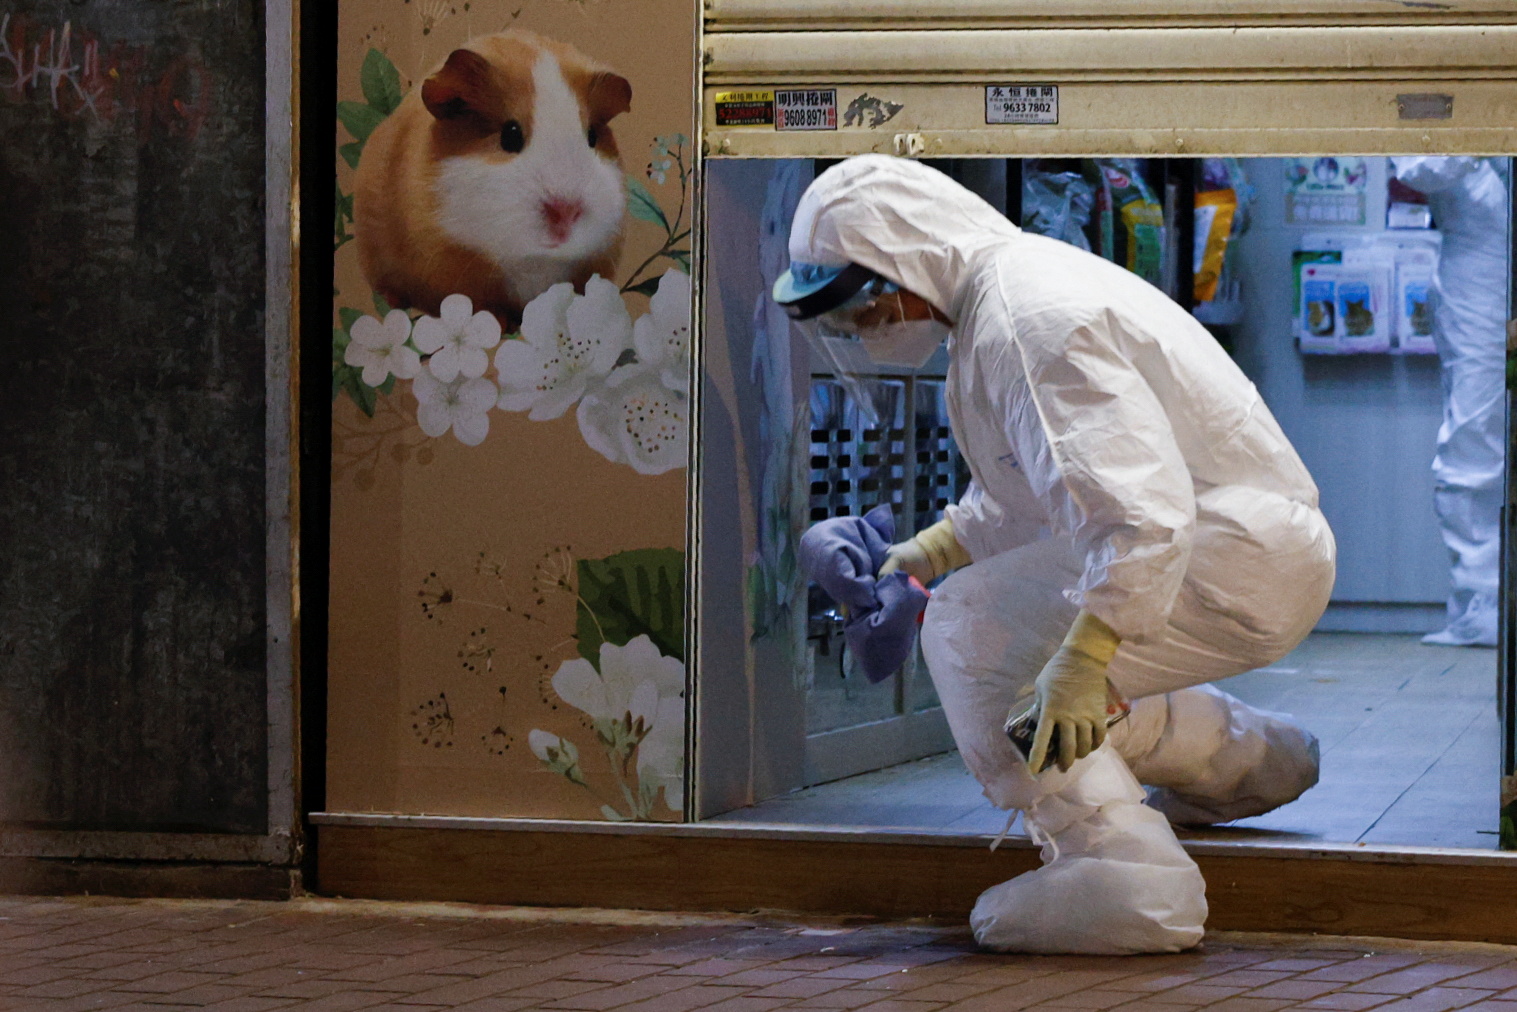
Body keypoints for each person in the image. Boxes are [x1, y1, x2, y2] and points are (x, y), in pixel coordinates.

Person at [775, 156, 1336, 955]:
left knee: (975, 632)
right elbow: (1023, 503)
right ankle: (1254, 764)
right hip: (1244, 550)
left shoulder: (1024, 319)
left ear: (904, 265)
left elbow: (1135, 514)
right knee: (1052, 668)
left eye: (860, 308)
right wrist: (912, 559)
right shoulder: (1000, 306)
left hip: (1223, 555)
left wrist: (1085, 651)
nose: (859, 331)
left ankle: (1123, 874)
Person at [1390, 157, 1509, 648]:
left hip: (1486, 262)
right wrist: (1483, 125)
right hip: (1479, 269)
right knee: (1473, 435)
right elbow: (1417, 166)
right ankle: (1478, 600)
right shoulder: (1451, 87)